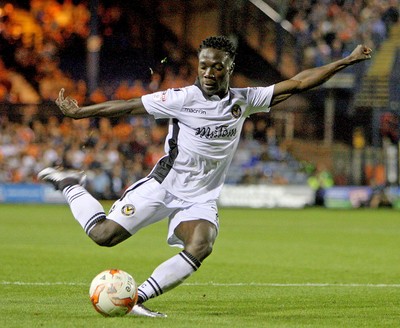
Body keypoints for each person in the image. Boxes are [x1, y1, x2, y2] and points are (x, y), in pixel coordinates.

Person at [38, 36, 372, 317]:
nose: (208, 72)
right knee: (103, 236)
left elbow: (299, 82)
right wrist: (82, 113)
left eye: (217, 66)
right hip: (163, 186)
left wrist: (346, 61)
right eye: (203, 65)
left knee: (202, 244)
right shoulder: (181, 98)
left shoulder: (244, 101)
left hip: (200, 197)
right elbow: (127, 106)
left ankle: (135, 299)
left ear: (229, 68)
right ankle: (70, 183)